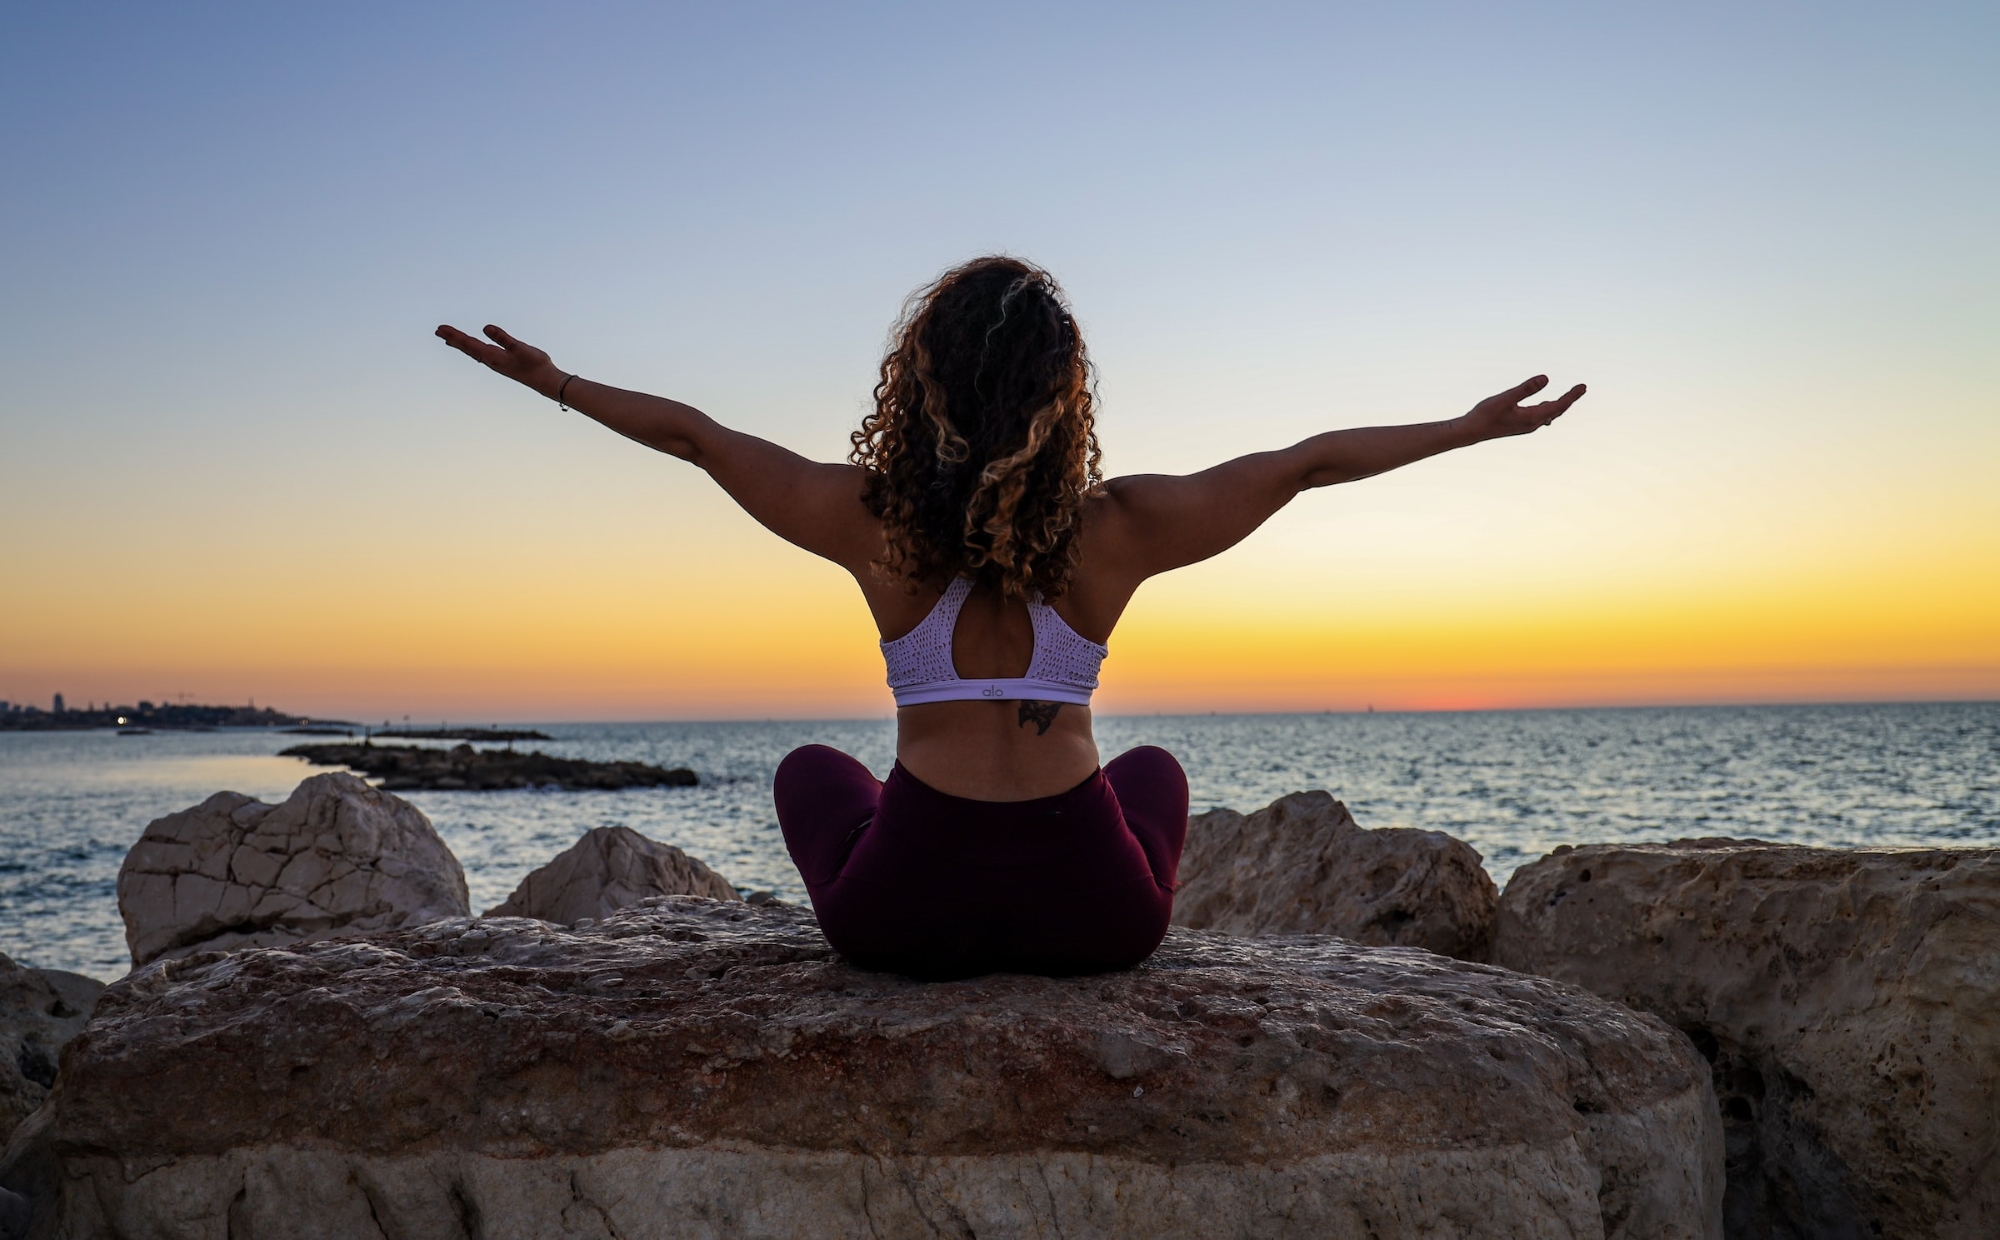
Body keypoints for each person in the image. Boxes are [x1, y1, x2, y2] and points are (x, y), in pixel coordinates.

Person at [437, 255, 1584, 978]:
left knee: (808, 771)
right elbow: (1305, 464)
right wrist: (1463, 427)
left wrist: (557, 382)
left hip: (899, 919)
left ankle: (911, 820)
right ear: (1062, 397)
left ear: (917, 384)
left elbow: (696, 436)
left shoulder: (870, 521)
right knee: (1156, 774)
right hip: (1096, 920)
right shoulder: (1119, 530)